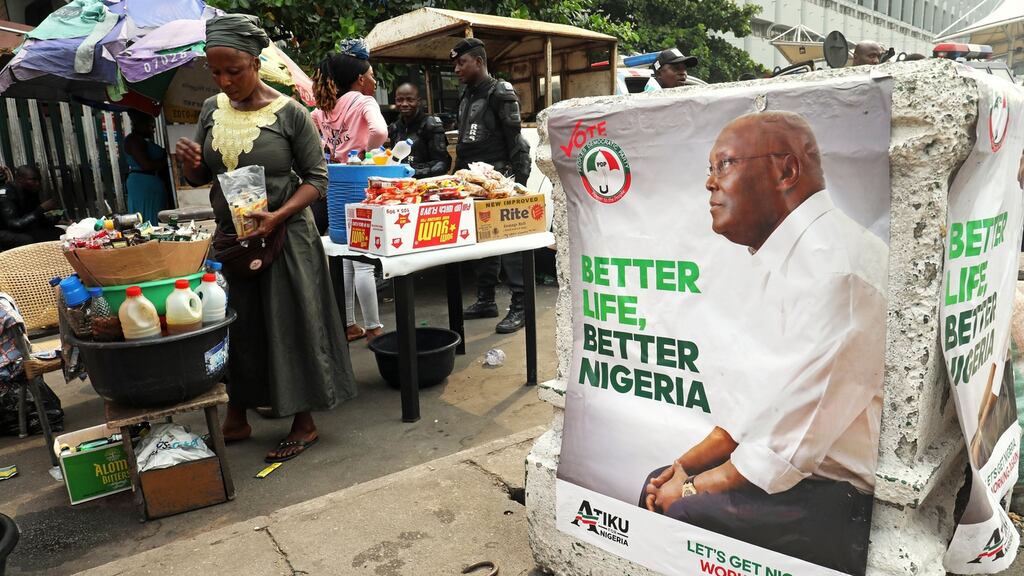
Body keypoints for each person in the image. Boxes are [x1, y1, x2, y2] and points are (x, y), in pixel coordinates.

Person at [639, 112, 887, 576]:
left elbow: (782, 448)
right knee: (656, 483)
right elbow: (755, 407)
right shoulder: (786, 255)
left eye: (724, 165)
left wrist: (692, 490)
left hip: (834, 492)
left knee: (680, 512)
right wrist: (682, 466)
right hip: (790, 470)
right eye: (710, 169)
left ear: (786, 171)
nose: (709, 184)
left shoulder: (833, 272)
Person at [174, 13, 356, 463]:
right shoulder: (211, 110)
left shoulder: (290, 112)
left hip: (286, 238)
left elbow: (317, 179)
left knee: (290, 323)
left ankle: (304, 422)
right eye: (216, 73)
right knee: (239, 324)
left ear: (255, 63)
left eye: (233, 71)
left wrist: (277, 216)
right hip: (233, 238)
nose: (225, 81)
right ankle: (237, 415)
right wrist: (190, 162)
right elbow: (201, 176)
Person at [451, 37, 532, 333]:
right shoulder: (466, 94)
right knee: (481, 242)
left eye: (462, 63)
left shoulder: (501, 91)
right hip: (474, 183)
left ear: (479, 62)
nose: (457, 69)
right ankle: (486, 299)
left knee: (509, 244)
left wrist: (517, 186)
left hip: (501, 181)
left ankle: (521, 305)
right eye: (455, 64)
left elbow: (516, 140)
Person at [311, 40, 387, 343]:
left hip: (335, 185)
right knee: (364, 260)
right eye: (371, 74)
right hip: (360, 184)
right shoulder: (362, 101)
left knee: (343, 256)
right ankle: (374, 328)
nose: (373, 80)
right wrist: (362, 152)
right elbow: (380, 132)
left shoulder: (322, 110)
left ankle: (349, 324)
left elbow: (316, 141)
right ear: (359, 79)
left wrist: (335, 153)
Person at [387, 82, 452, 178]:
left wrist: (413, 172)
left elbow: (442, 164)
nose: (404, 104)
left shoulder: (431, 125)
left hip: (427, 184)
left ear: (418, 101)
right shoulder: (395, 128)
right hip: (401, 184)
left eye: (410, 100)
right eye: (400, 100)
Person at [124, 110, 168, 225]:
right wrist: (167, 161)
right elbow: (146, 165)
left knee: (155, 215)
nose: (153, 129)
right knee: (145, 217)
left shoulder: (144, 140)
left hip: (150, 183)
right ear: (140, 124)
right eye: (150, 126)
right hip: (142, 184)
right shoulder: (134, 140)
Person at [0, 165, 59, 250]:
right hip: (5, 231)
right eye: (33, 180)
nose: (38, 183)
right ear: (20, 179)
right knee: (27, 240)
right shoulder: (5, 194)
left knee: (57, 233)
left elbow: (36, 219)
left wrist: (55, 216)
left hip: (20, 228)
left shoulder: (30, 191)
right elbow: (14, 224)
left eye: (39, 180)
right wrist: (41, 209)